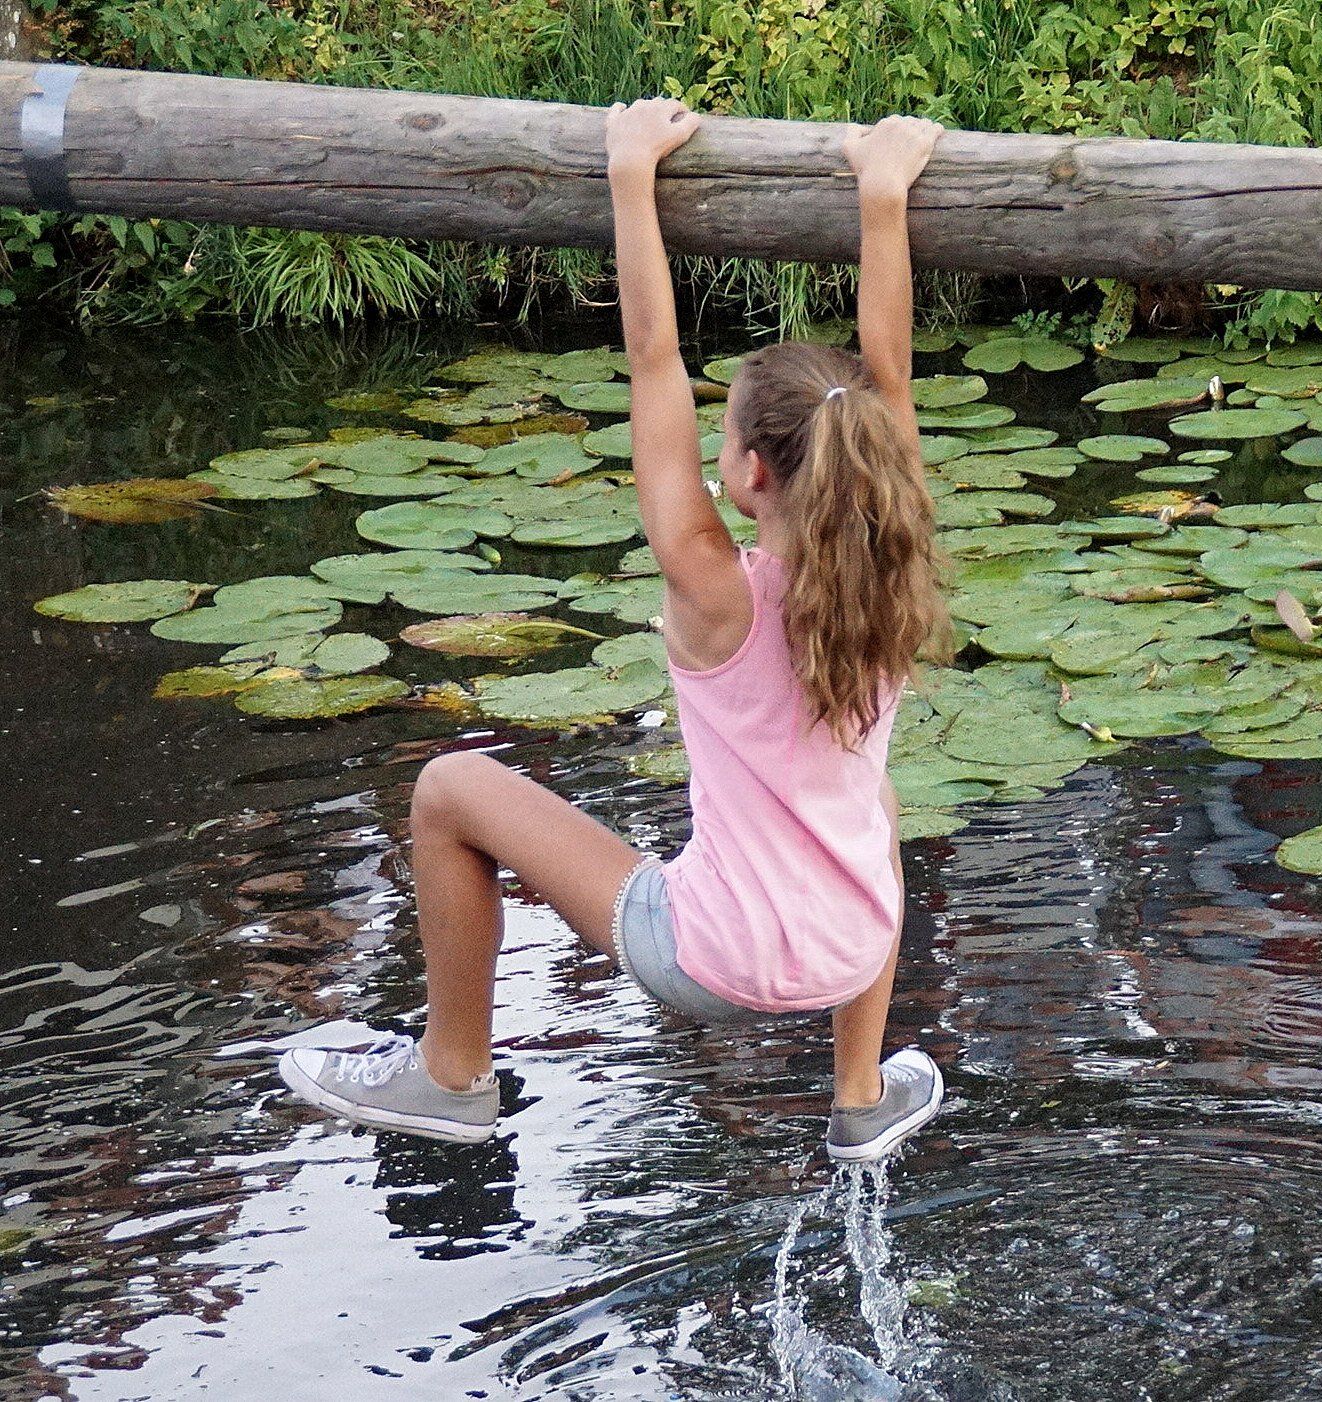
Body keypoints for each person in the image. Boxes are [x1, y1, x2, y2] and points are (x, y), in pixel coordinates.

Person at [279, 100, 956, 1163]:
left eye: (726, 437)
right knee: (871, 797)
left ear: (749, 473)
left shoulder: (713, 588)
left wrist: (630, 177)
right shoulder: (894, 573)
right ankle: (860, 1093)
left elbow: (652, 360)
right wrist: (882, 196)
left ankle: (450, 1076)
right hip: (853, 945)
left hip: (704, 959)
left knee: (448, 790)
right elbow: (890, 372)